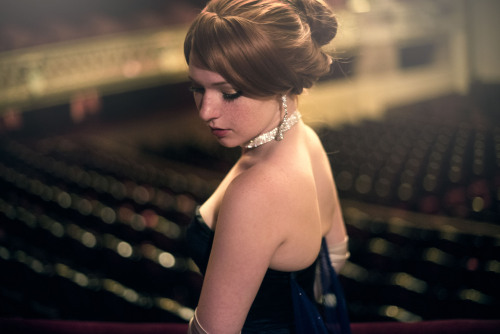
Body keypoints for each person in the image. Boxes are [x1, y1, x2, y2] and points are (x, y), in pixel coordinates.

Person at [183, 0, 350, 332]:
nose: (205, 112)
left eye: (229, 93)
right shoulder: (307, 140)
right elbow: (337, 251)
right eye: (197, 89)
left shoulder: (256, 190)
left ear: (282, 85)